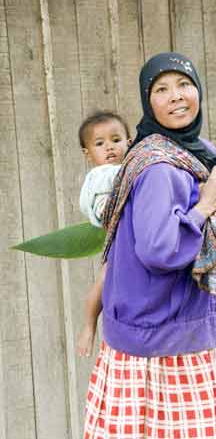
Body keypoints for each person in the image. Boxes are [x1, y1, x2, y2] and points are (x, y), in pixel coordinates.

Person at [81, 53, 216, 439]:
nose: (176, 97)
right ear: (147, 101)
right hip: (154, 336)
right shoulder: (156, 165)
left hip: (173, 328)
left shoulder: (198, 151)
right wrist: (206, 205)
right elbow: (157, 250)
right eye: (161, 89)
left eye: (183, 84)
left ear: (197, 90)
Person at [76, 111, 132, 358]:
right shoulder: (103, 175)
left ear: (129, 143)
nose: (109, 147)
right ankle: (88, 327)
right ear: (88, 153)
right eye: (100, 144)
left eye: (116, 140)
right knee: (103, 279)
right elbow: (99, 209)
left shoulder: (128, 168)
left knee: (105, 278)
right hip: (120, 237)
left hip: (127, 237)